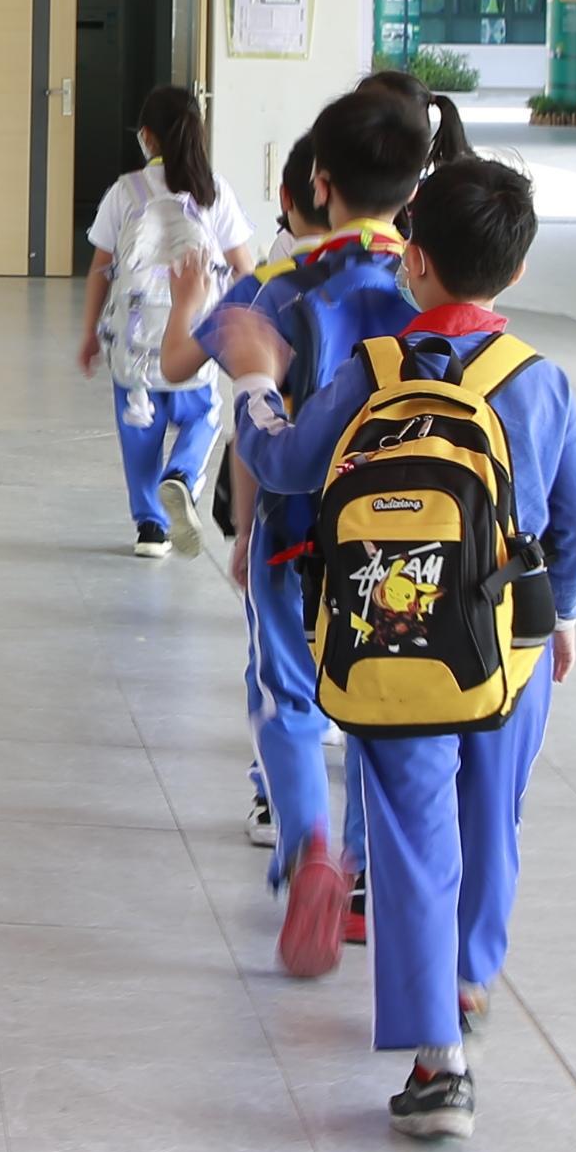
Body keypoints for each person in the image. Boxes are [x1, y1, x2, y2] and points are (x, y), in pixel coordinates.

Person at [216, 155, 576, 1139]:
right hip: (507, 648)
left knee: (409, 835)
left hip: (388, 638)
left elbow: (287, 460)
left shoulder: (375, 368)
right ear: (513, 275)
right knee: (491, 821)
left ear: (413, 261)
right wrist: (561, 615)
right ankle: (471, 978)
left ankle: (440, 1064)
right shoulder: (539, 381)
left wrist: (259, 382)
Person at [185, 86, 425, 974]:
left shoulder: (273, 288)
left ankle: (308, 845)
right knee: (378, 707)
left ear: (316, 183)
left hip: (294, 538)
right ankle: (362, 874)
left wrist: (244, 531)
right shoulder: (424, 282)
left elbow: (248, 426)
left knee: (286, 701)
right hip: (405, 549)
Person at [76, 84, 258, 558]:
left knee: (138, 431)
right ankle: (181, 474)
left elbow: (101, 268)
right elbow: (244, 268)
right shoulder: (213, 191)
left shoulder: (126, 191)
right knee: (204, 414)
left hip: (133, 344)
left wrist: (90, 333)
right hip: (192, 340)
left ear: (146, 137)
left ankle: (151, 530)